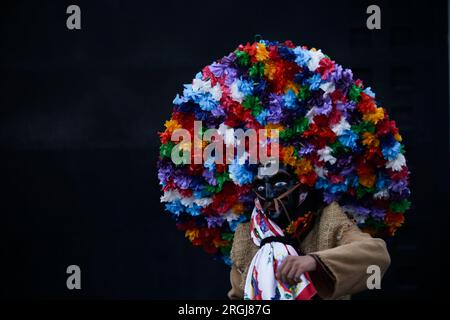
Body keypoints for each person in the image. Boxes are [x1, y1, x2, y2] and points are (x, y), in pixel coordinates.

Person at [228, 164, 391, 300]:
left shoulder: (329, 220)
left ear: (303, 184)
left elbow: (377, 257)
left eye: (279, 184)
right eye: (260, 187)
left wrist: (315, 262)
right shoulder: (247, 236)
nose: (269, 195)